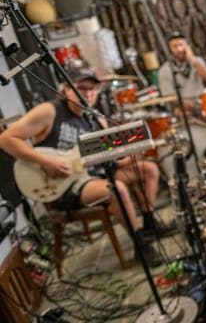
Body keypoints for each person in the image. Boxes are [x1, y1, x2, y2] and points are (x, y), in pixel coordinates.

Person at [0, 69, 176, 267]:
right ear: (66, 89)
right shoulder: (49, 111)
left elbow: (108, 158)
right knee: (116, 189)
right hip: (64, 184)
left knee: (149, 169)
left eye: (92, 89)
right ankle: (141, 247)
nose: (87, 93)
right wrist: (46, 163)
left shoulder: (95, 118)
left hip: (94, 174)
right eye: (81, 88)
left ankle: (149, 223)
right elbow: (6, 139)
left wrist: (129, 156)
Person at [158, 31, 206, 117]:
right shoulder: (164, 70)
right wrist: (189, 105)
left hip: (203, 101)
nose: (179, 49)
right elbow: (170, 96)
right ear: (169, 49)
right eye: (175, 46)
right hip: (183, 107)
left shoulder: (197, 61)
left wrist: (193, 60)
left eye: (181, 45)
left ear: (187, 46)